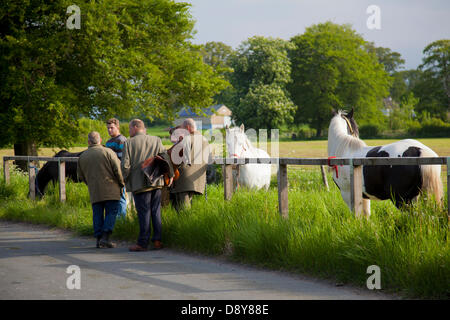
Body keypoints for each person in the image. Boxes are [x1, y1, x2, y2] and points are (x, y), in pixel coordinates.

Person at [121, 119, 174, 252]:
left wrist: (125, 179)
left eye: (129, 128)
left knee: (144, 212)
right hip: (156, 181)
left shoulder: (128, 143)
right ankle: (157, 240)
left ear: (134, 127)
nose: (128, 131)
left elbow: (125, 166)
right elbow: (165, 158)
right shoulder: (156, 140)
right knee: (156, 211)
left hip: (139, 184)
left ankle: (142, 243)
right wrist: (170, 175)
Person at [77, 131, 125, 249]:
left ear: (88, 142)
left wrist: (90, 183)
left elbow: (80, 176)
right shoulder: (108, 152)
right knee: (111, 212)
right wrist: (121, 183)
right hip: (111, 188)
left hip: (94, 190)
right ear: (100, 141)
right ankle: (106, 237)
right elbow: (118, 170)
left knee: (97, 214)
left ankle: (98, 239)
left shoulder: (82, 156)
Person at [170, 118, 211, 212]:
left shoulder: (187, 139)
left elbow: (176, 158)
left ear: (187, 128)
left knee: (183, 210)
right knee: (187, 207)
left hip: (183, 179)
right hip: (197, 179)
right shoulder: (204, 139)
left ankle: (185, 226)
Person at [105, 118, 128, 218]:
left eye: (111, 128)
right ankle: (114, 221)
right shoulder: (108, 142)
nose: (109, 130)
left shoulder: (121, 140)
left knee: (121, 198)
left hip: (119, 174)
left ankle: (123, 221)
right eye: (108, 128)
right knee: (112, 199)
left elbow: (123, 160)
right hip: (109, 175)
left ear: (117, 127)